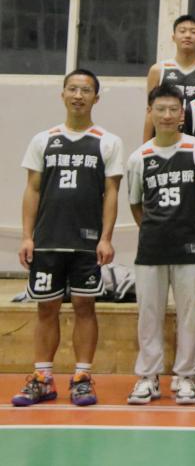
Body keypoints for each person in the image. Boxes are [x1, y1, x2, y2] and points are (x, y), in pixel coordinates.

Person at [13, 70, 124, 407]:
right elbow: (32, 189)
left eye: (85, 90)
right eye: (72, 89)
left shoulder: (108, 141)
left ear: (96, 98)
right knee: (45, 308)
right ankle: (42, 378)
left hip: (86, 243)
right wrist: (27, 236)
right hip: (47, 240)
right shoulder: (43, 140)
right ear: (62, 94)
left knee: (84, 307)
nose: (78, 95)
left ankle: (82, 378)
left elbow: (112, 192)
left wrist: (106, 238)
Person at [125, 85, 195, 405]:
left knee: (190, 314)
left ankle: (186, 376)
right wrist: (155, 229)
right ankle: (148, 376)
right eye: (161, 109)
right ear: (151, 112)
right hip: (151, 248)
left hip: (190, 247)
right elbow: (136, 204)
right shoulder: (139, 157)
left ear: (182, 114)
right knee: (149, 314)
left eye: (174, 109)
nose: (168, 115)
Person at [144, 14, 195, 140]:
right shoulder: (158, 70)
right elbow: (150, 112)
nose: (187, 35)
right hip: (165, 139)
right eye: (182, 31)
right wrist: (146, 147)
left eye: (193, 32)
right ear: (173, 37)